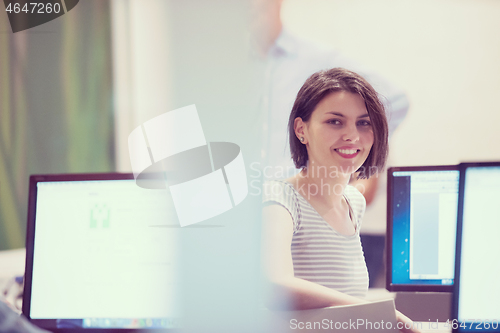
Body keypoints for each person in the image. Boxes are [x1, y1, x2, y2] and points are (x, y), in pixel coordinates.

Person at [261, 68, 418, 332]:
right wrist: (377, 313)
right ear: (301, 130)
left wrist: (372, 312)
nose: (352, 136)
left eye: (364, 123)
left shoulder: (353, 202)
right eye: (335, 121)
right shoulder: (279, 198)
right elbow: (275, 284)